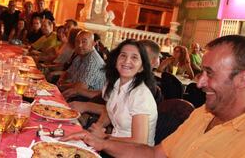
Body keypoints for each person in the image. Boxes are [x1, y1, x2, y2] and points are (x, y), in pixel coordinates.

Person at [63, 35, 245, 157]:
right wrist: (100, 143)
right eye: (123, 56)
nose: (199, 83)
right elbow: (154, 154)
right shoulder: (201, 114)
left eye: (210, 73)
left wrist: (104, 139)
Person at [59, 30, 106, 98]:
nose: (80, 45)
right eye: (77, 42)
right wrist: (61, 79)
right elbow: (68, 72)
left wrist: (62, 85)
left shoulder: (93, 61)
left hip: (87, 98)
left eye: (84, 42)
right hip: (73, 90)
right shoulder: (80, 55)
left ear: (93, 43)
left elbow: (80, 88)